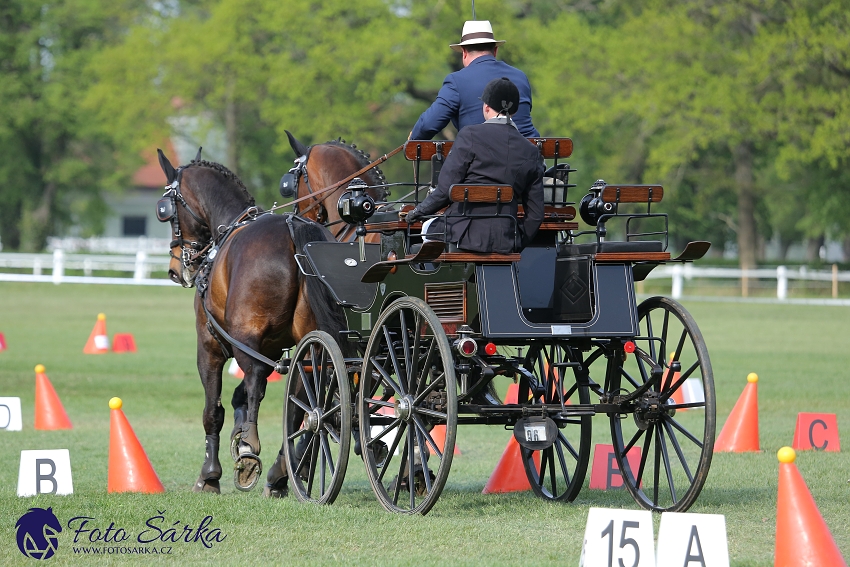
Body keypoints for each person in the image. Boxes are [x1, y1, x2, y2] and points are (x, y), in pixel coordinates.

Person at [406, 78, 544, 254]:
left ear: (486, 107)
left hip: (462, 235)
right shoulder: (531, 151)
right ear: (514, 112)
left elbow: (445, 190)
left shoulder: (470, 135)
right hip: (505, 239)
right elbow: (536, 214)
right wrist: (516, 240)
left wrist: (417, 212)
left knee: (426, 228)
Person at [409, 20, 539, 140]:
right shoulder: (520, 76)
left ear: (464, 52)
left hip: (481, 162)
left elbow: (428, 125)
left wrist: (413, 139)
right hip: (528, 161)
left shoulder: (456, 81)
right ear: (495, 50)